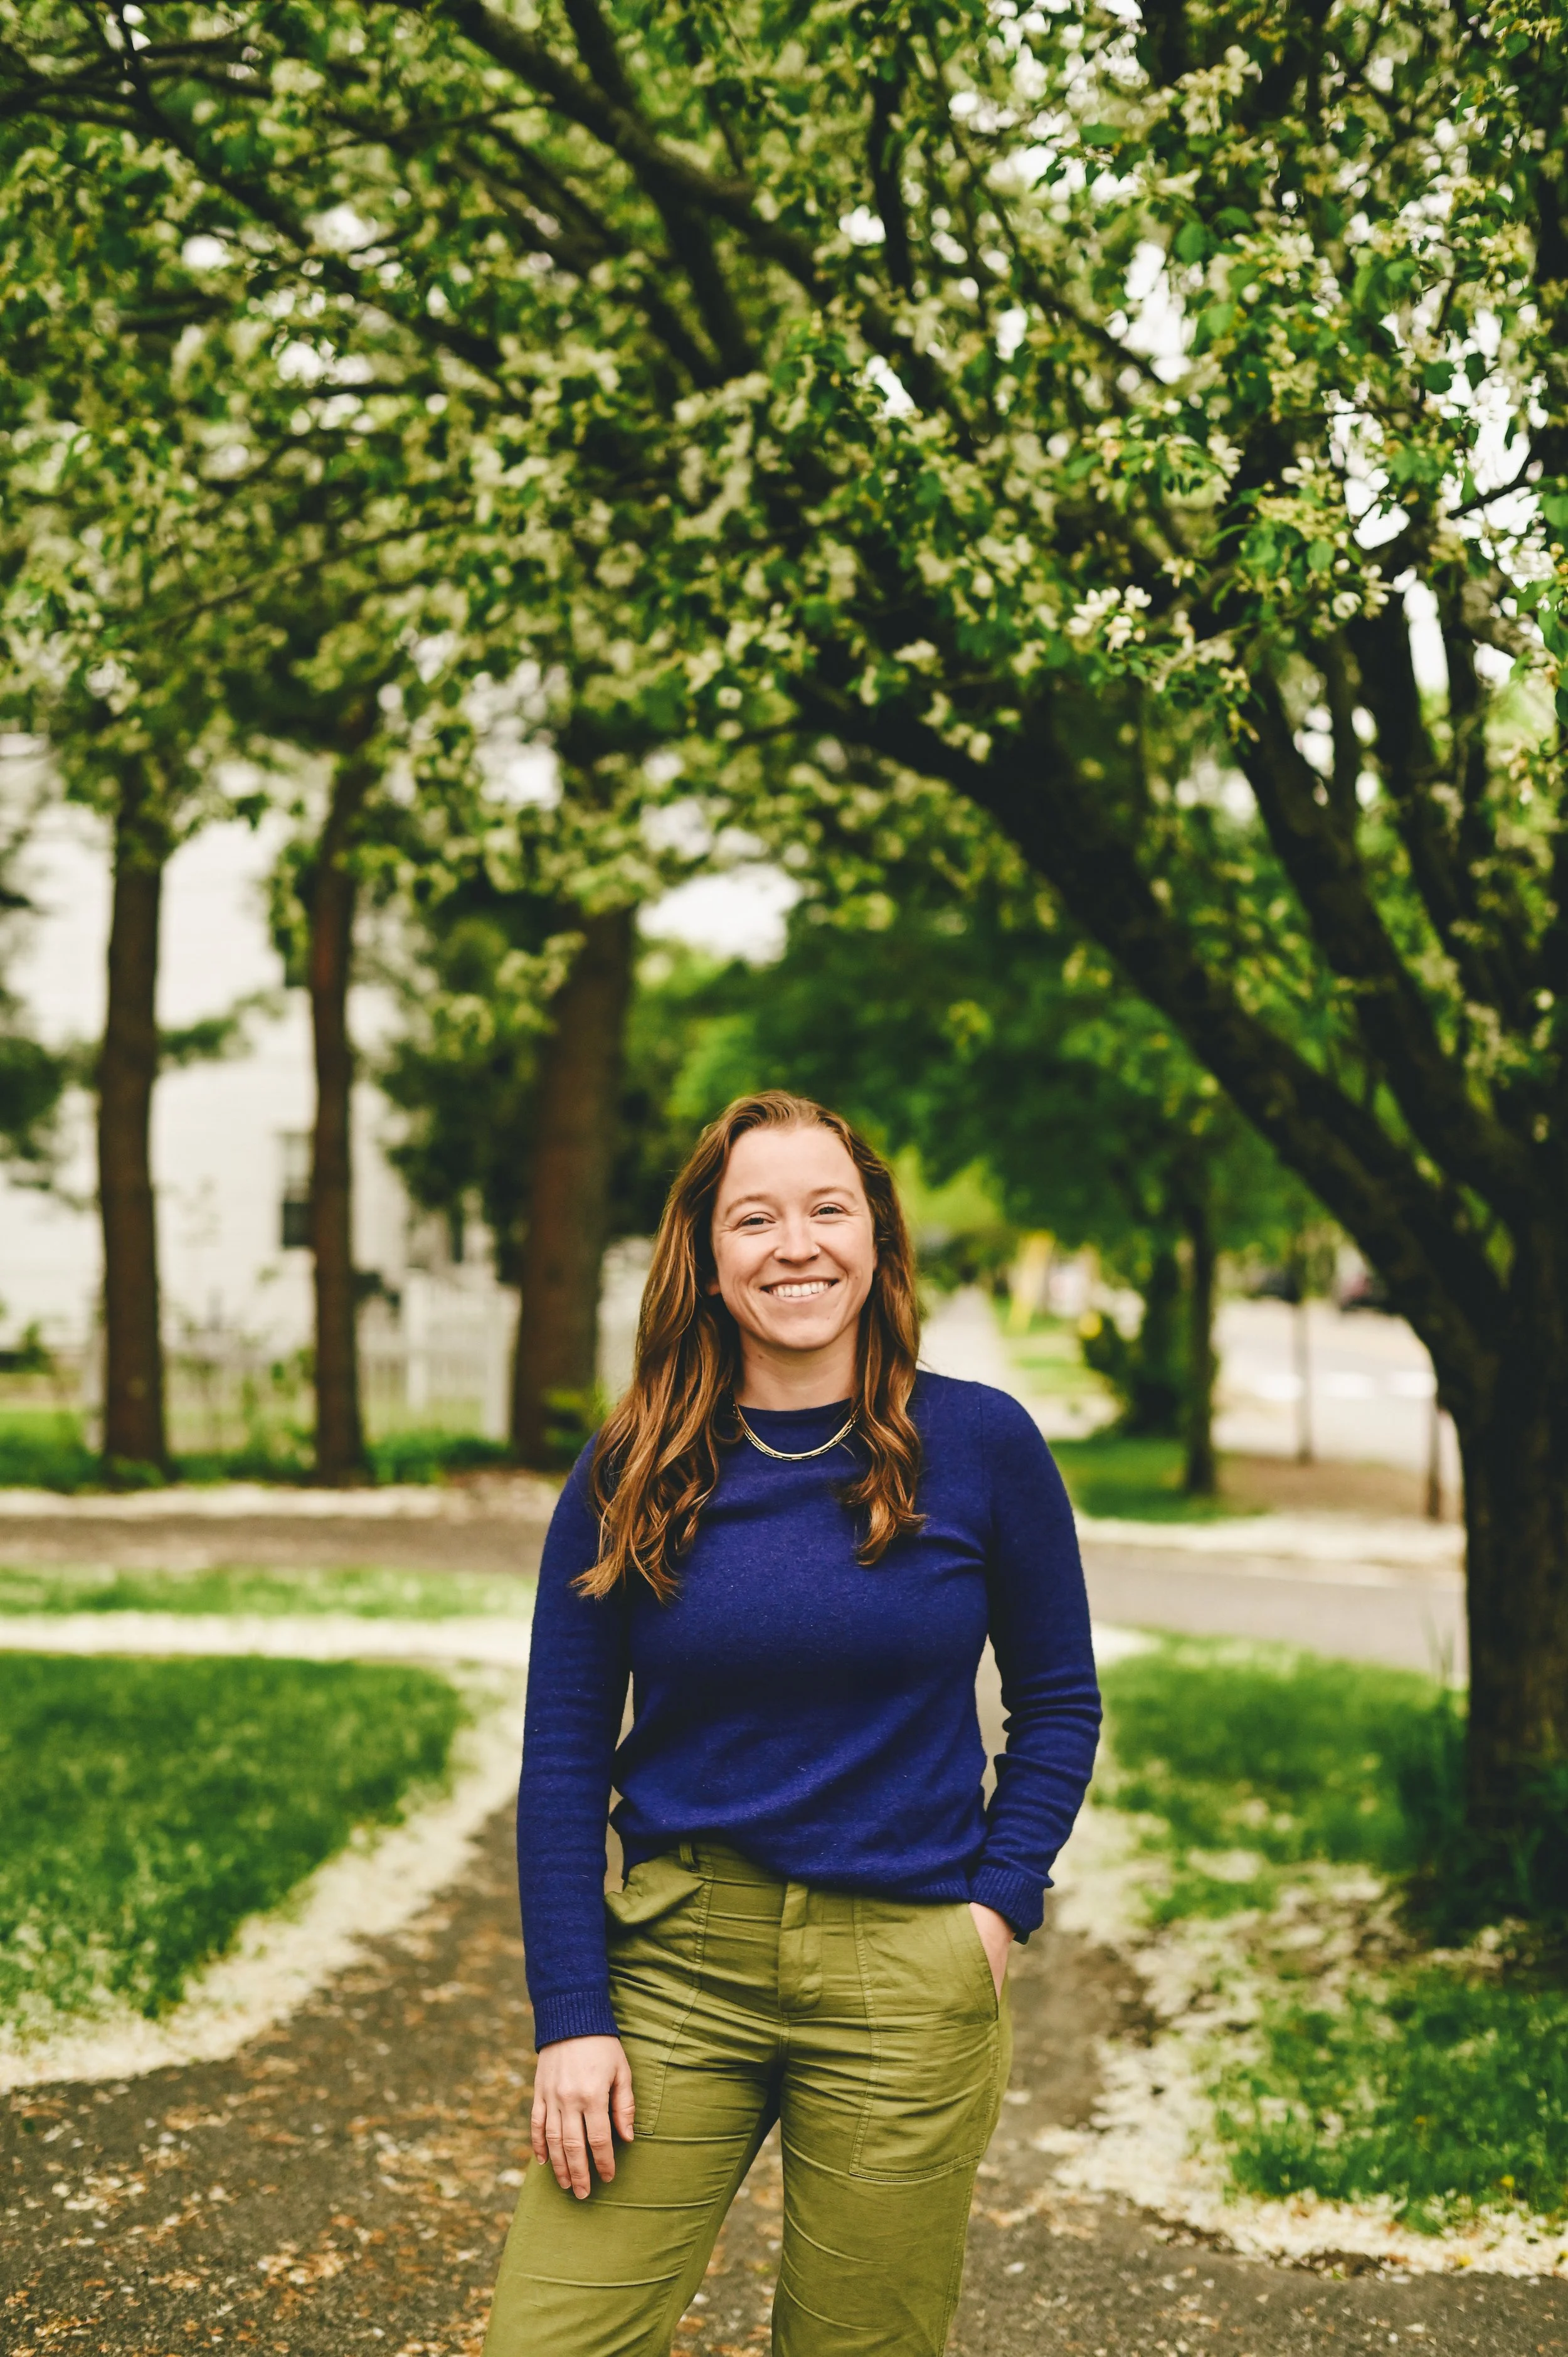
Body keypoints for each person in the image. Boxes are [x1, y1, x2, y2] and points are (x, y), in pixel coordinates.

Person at [484, 1090, 1101, 2357]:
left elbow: (1055, 1702)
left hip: (904, 1971)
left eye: (828, 1208)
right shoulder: (630, 1469)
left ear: (876, 1237)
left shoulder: (979, 1445)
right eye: (752, 1218)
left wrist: (994, 1906)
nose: (795, 1245)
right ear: (707, 1264)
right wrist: (572, 2018)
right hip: (675, 1967)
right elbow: (558, 1763)